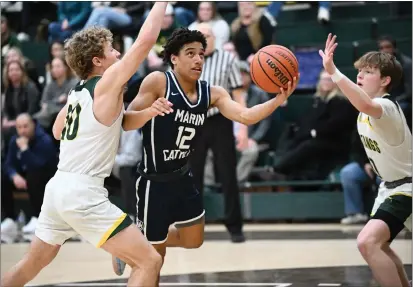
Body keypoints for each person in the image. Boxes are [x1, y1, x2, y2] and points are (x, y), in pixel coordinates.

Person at [0, 3, 168, 287]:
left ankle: (118, 243)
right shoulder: (107, 83)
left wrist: (148, 113)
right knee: (149, 261)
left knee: (32, 263)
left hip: (58, 189)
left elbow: (58, 130)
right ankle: (118, 244)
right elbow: (146, 41)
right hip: (83, 192)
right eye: (111, 49)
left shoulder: (77, 92)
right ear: (97, 61)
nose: (117, 53)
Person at [114, 27, 299, 279]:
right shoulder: (157, 82)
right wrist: (148, 112)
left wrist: (277, 99)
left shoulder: (213, 93)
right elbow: (126, 122)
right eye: (190, 53)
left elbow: (245, 115)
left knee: (193, 240)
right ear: (174, 58)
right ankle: (136, 244)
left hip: (182, 178)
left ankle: (133, 241)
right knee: (154, 263)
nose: (198, 59)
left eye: (201, 54)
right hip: (153, 183)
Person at [319, 33, 411, 287]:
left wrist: (334, 72)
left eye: (368, 72)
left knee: (367, 242)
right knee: (379, 246)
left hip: (407, 188)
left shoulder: (387, 107)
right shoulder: (364, 112)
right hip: (389, 187)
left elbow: (365, 104)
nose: (360, 75)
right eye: (359, 70)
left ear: (385, 80)